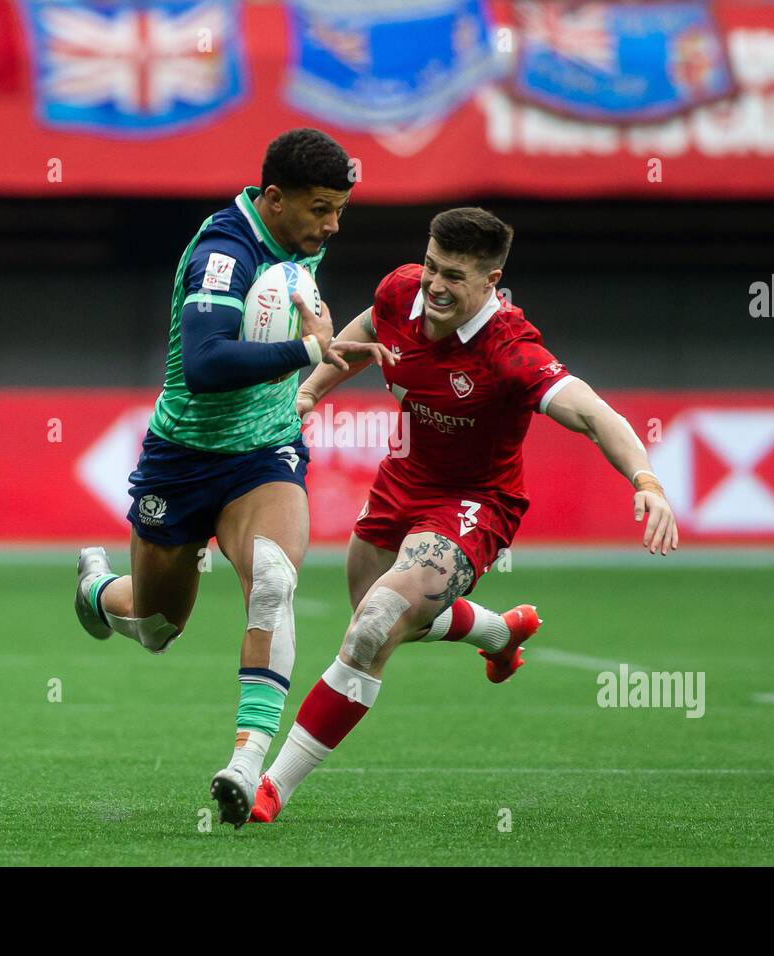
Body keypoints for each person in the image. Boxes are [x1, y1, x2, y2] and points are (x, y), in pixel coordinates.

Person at [250, 207, 680, 823]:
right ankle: (497, 633)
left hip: (476, 503)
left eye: (453, 274)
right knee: (386, 616)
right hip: (401, 482)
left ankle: (273, 786)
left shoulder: (512, 351)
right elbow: (372, 327)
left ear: (490, 280)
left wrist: (647, 481)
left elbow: (592, 414)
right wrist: (314, 387)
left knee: (375, 625)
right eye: (430, 266)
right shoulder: (401, 291)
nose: (434, 285)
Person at [71, 128, 391, 827]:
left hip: (264, 454)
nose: (332, 226)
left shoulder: (301, 234)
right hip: (182, 461)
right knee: (157, 627)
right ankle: (97, 593)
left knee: (273, 579)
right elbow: (208, 365)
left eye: (340, 209)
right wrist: (311, 350)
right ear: (273, 199)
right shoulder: (224, 253)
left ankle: (247, 765)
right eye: (320, 210)